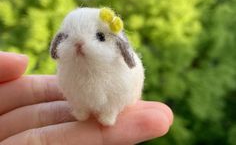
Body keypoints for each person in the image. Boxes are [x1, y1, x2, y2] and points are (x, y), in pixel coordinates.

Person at [0, 51, 173, 145]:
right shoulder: (66, 71)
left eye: (98, 37)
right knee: (76, 95)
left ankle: (109, 111)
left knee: (116, 97)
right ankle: (80, 108)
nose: (80, 46)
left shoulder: (123, 68)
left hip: (115, 96)